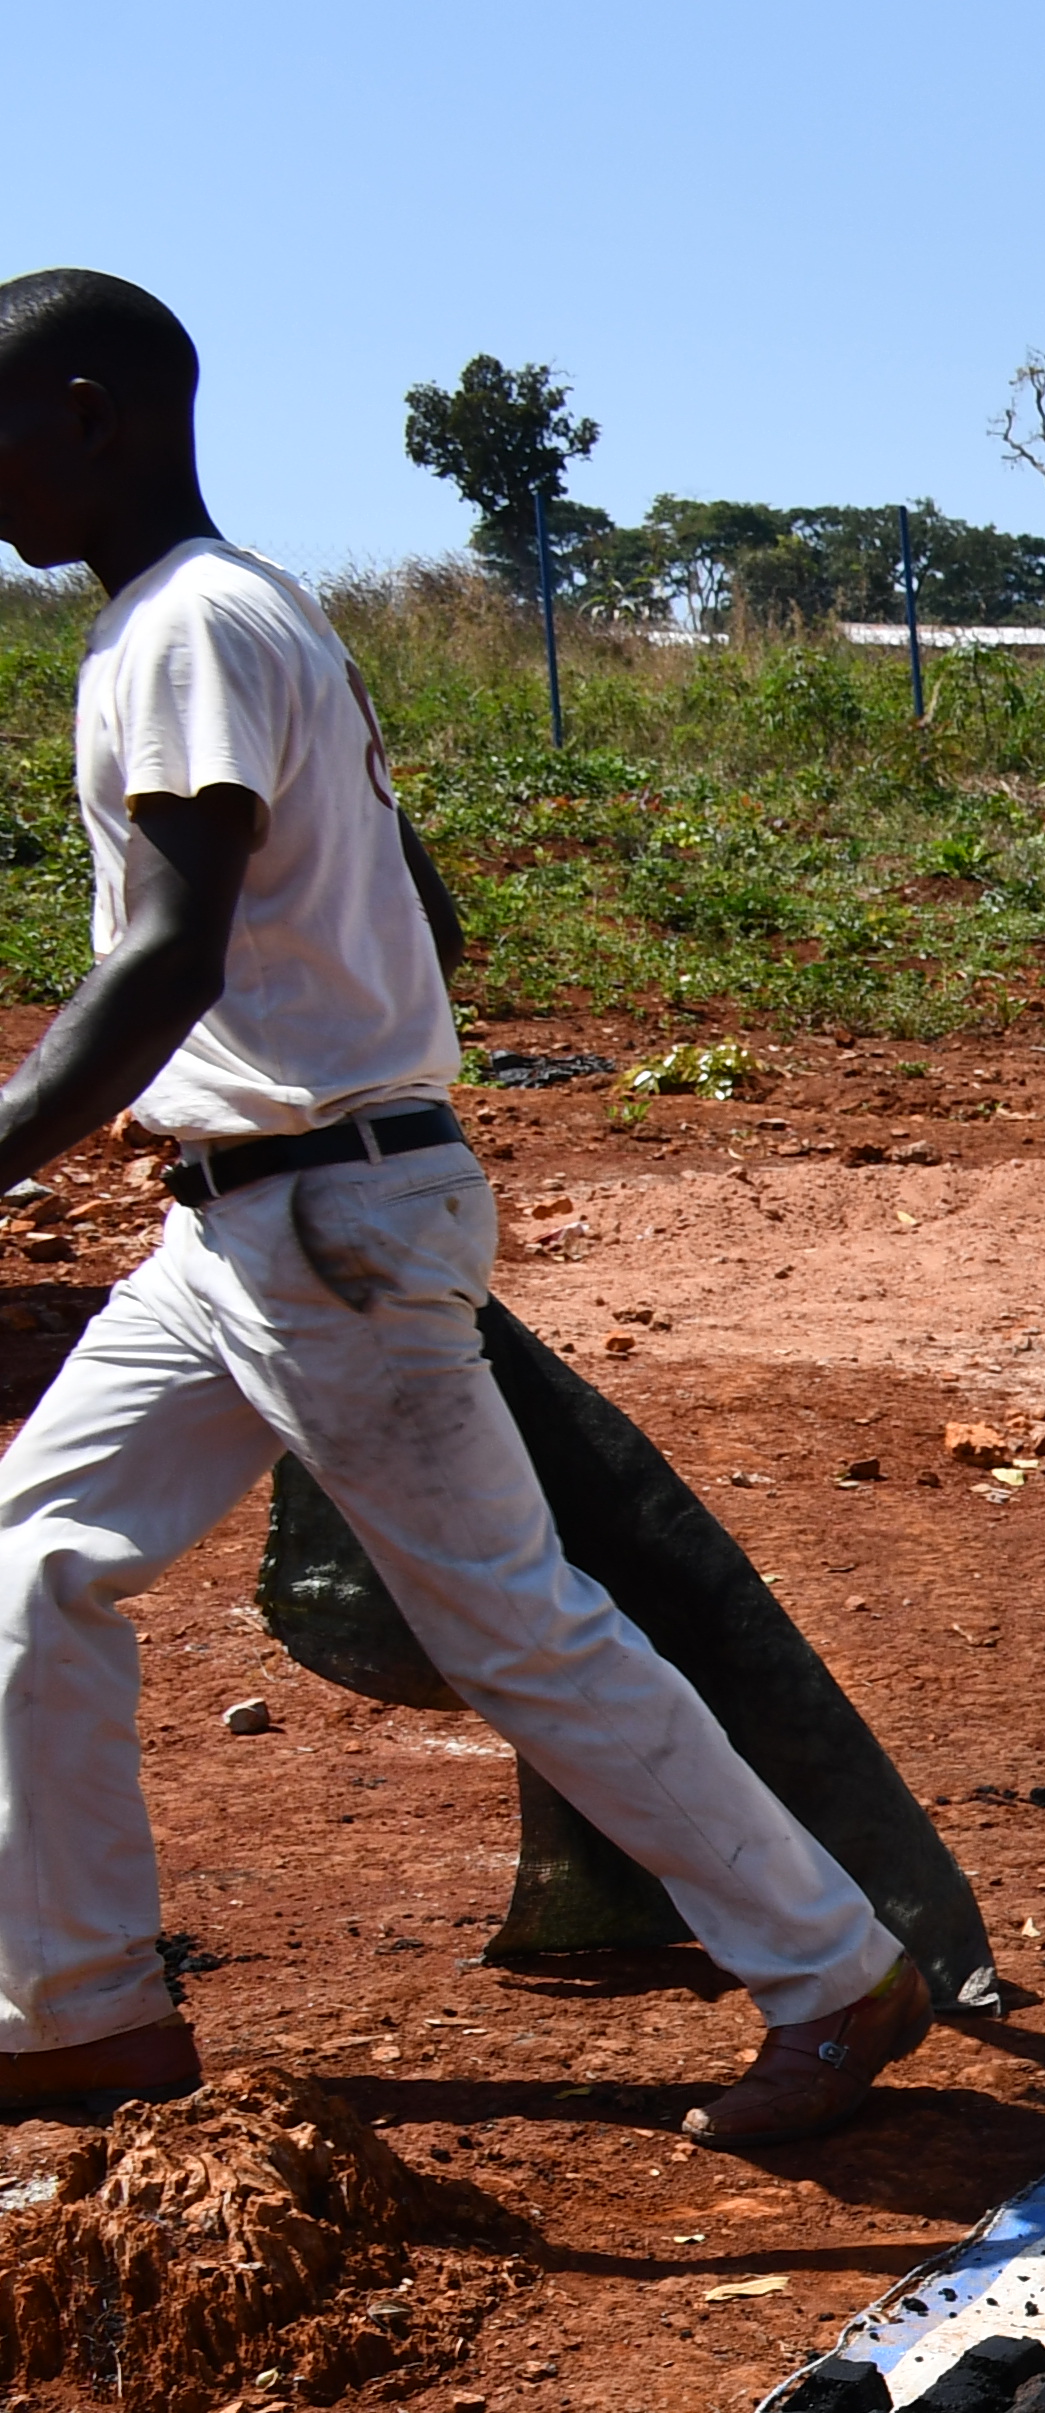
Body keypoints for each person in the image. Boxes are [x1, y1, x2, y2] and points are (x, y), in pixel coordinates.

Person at [0, 270, 926, 2142]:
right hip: (250, 1216)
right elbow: (424, 914)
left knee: (517, 1627)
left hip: (323, 1224)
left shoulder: (185, 628)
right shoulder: (262, 619)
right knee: (30, 1564)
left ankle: (834, 1970)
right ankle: (79, 2004)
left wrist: (21, 1131)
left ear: (93, 414)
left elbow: (171, 947)